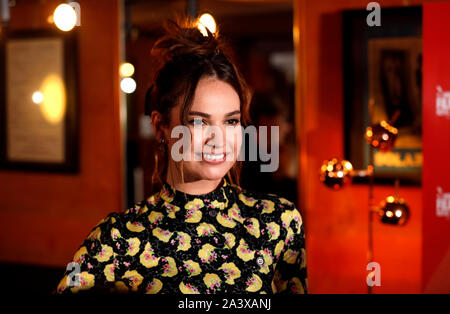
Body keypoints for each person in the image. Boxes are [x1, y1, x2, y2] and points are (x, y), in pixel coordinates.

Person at [56, 16, 307, 294]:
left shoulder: (278, 222)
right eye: (198, 122)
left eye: (231, 121)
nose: (219, 139)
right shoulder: (116, 239)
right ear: (160, 126)